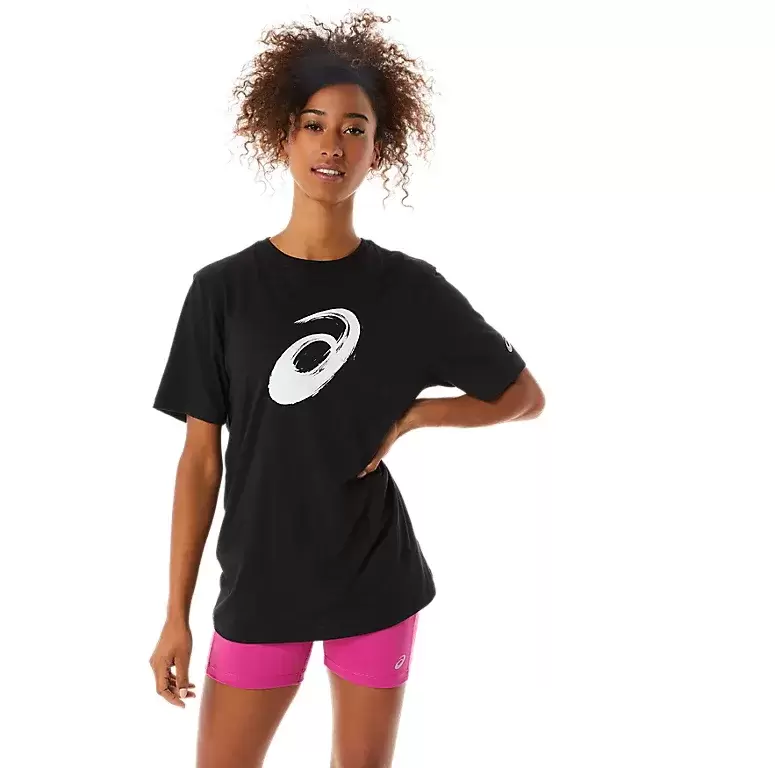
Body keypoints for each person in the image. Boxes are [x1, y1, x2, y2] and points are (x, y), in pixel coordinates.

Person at [149, 11, 545, 767]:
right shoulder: (222, 292)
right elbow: (200, 460)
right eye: (314, 124)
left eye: (354, 129)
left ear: (377, 150)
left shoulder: (409, 290)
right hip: (260, 581)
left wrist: (413, 417)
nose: (332, 144)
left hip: (374, 577)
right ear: (283, 138)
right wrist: (176, 613)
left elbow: (522, 395)